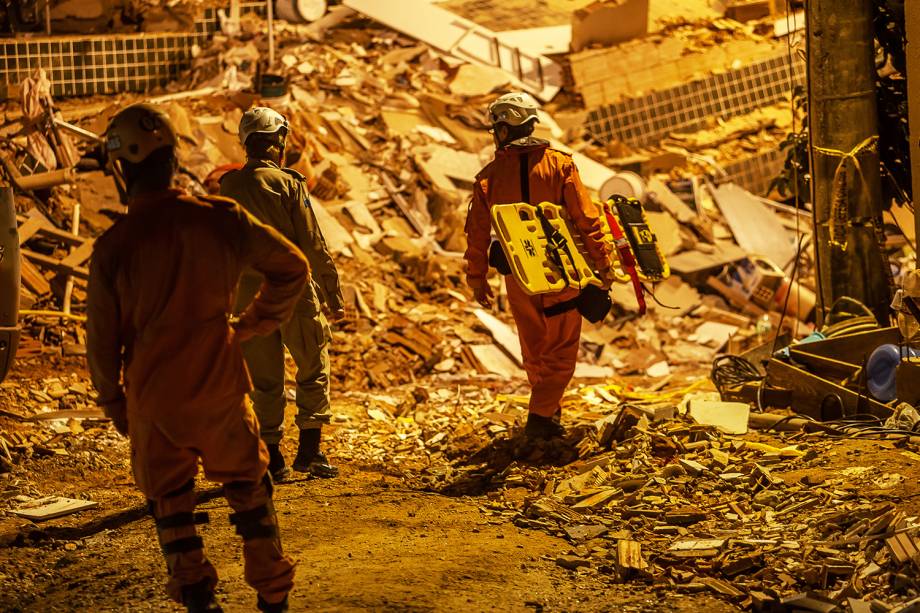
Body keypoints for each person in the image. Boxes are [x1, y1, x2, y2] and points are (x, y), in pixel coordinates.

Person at [87, 104, 305, 613]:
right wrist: (250, 325)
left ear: (122, 169)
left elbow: (100, 342)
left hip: (153, 395)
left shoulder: (114, 246)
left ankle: (197, 598)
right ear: (171, 158)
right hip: (221, 383)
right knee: (250, 491)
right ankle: (274, 594)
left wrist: (114, 400)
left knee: (171, 506)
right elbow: (291, 267)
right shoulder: (219, 219)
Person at [464, 92, 613, 440]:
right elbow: (587, 220)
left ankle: (547, 417)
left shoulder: (488, 177)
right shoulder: (561, 165)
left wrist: (477, 278)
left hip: (519, 277)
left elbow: (477, 233)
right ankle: (541, 418)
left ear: (502, 130)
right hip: (563, 274)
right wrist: (604, 264)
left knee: (534, 350)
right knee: (559, 351)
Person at [220, 107, 345, 481]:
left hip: (247, 294)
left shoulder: (228, 186)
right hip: (291, 288)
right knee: (312, 365)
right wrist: (333, 291)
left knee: (264, 377)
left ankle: (272, 459)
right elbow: (313, 241)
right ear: (278, 142)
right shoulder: (290, 184)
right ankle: (309, 453)